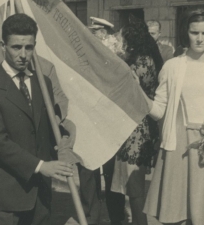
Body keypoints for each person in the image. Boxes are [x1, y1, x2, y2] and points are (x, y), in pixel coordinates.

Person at [0, 13, 74, 224]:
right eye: (16, 47)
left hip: (41, 193)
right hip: (6, 195)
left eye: (29, 47)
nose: (23, 54)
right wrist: (40, 166)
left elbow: (42, 130)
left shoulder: (43, 83)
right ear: (2, 45)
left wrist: (65, 134)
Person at [143, 8, 204, 225]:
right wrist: (138, 96)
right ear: (185, 32)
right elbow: (159, 109)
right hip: (179, 146)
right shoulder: (172, 66)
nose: (200, 38)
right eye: (194, 32)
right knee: (177, 214)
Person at [111, 15, 163, 225]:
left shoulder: (142, 62)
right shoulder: (148, 58)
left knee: (134, 186)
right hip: (139, 125)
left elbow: (133, 91)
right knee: (132, 184)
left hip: (137, 128)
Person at [79, 17, 125, 225]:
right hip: (88, 120)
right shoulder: (83, 57)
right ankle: (91, 216)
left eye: (98, 32)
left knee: (113, 173)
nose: (94, 37)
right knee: (88, 171)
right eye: (93, 32)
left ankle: (116, 216)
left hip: (111, 122)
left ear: (107, 35)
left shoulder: (118, 58)